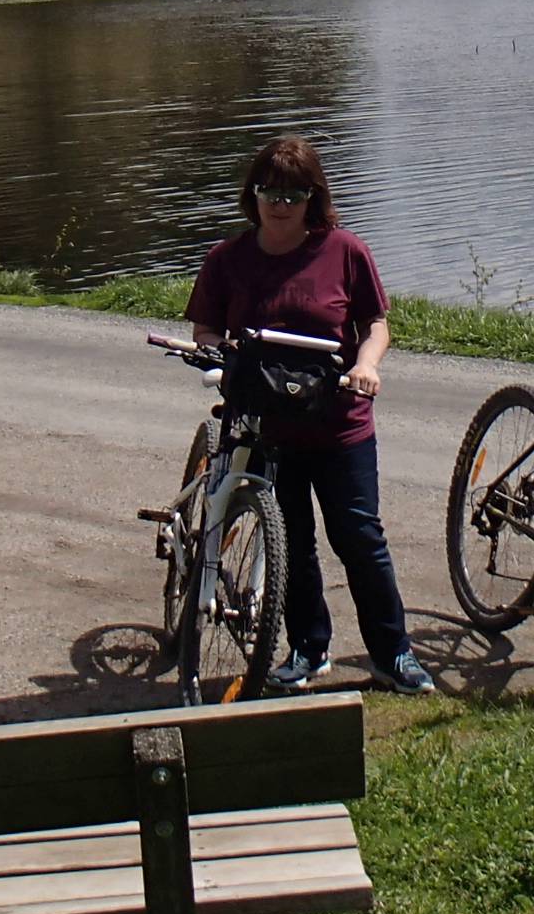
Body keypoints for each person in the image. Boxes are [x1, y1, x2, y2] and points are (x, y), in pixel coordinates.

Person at [185, 136, 434, 695]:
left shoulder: (345, 251)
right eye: (270, 191)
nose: (280, 204)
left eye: (293, 193)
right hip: (269, 427)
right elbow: (205, 328)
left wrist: (368, 365)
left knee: (359, 537)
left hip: (341, 424)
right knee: (290, 540)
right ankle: (307, 649)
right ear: (253, 195)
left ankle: (393, 654)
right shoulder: (228, 259)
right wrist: (216, 357)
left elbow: (375, 324)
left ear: (312, 197)